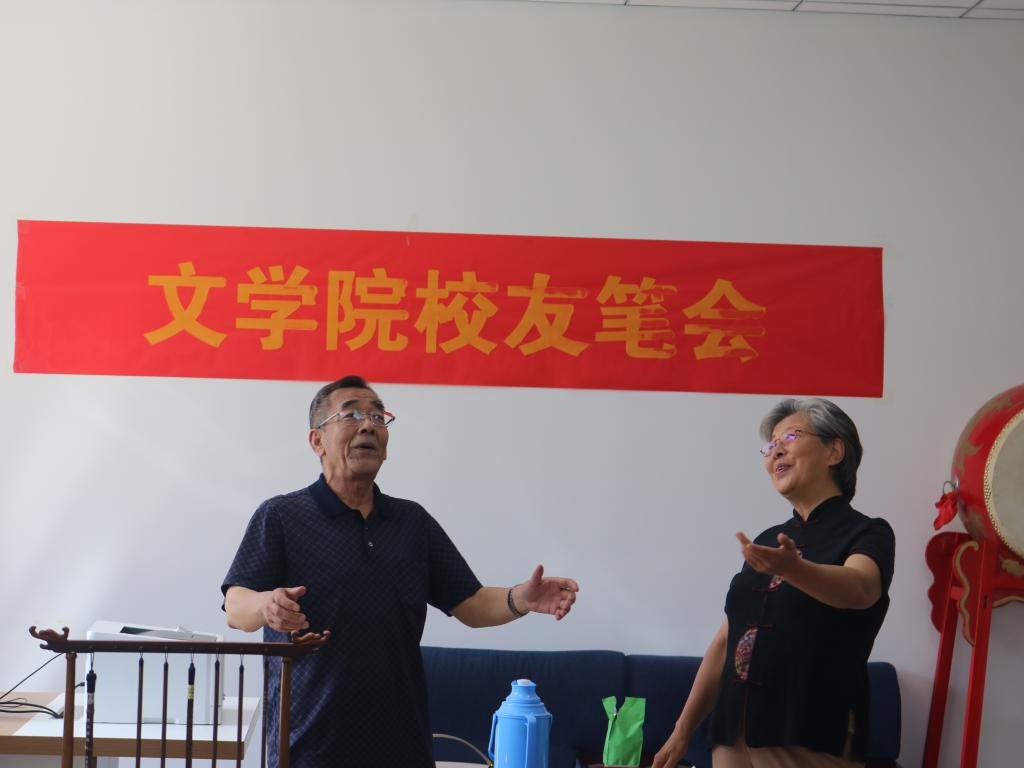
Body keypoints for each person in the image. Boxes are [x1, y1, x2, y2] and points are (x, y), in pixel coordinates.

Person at [221, 375, 579, 768]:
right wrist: (267, 605)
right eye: (351, 414)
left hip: (402, 743)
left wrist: (520, 598)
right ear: (317, 441)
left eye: (378, 416)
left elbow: (471, 603)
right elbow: (236, 607)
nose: (368, 425)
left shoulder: (411, 522)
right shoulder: (282, 516)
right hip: (309, 744)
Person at [653, 398, 895, 768]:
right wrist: (682, 729)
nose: (776, 451)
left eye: (791, 437)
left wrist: (795, 570)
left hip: (808, 732)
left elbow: (861, 588)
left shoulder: (867, 532)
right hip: (732, 734)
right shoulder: (769, 540)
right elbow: (725, 642)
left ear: (834, 450)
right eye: (770, 446)